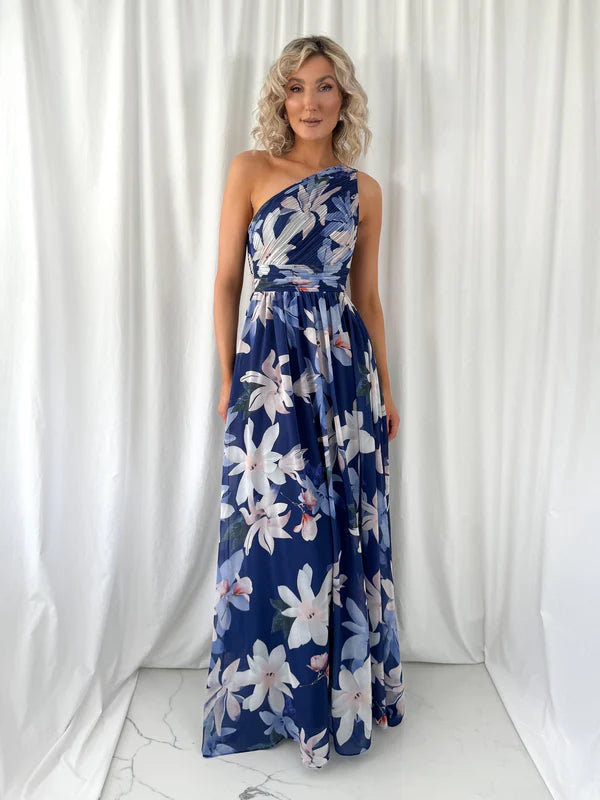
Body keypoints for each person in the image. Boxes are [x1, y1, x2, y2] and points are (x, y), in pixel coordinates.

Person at [202, 34, 405, 769]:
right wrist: (229, 379)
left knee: (338, 529)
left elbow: (367, 299)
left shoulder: (364, 190)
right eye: (296, 88)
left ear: (343, 98)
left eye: (324, 87)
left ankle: (336, 702)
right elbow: (228, 282)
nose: (310, 102)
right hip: (268, 373)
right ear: (280, 99)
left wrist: (387, 388)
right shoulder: (250, 169)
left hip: (342, 376)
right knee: (279, 532)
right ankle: (275, 697)